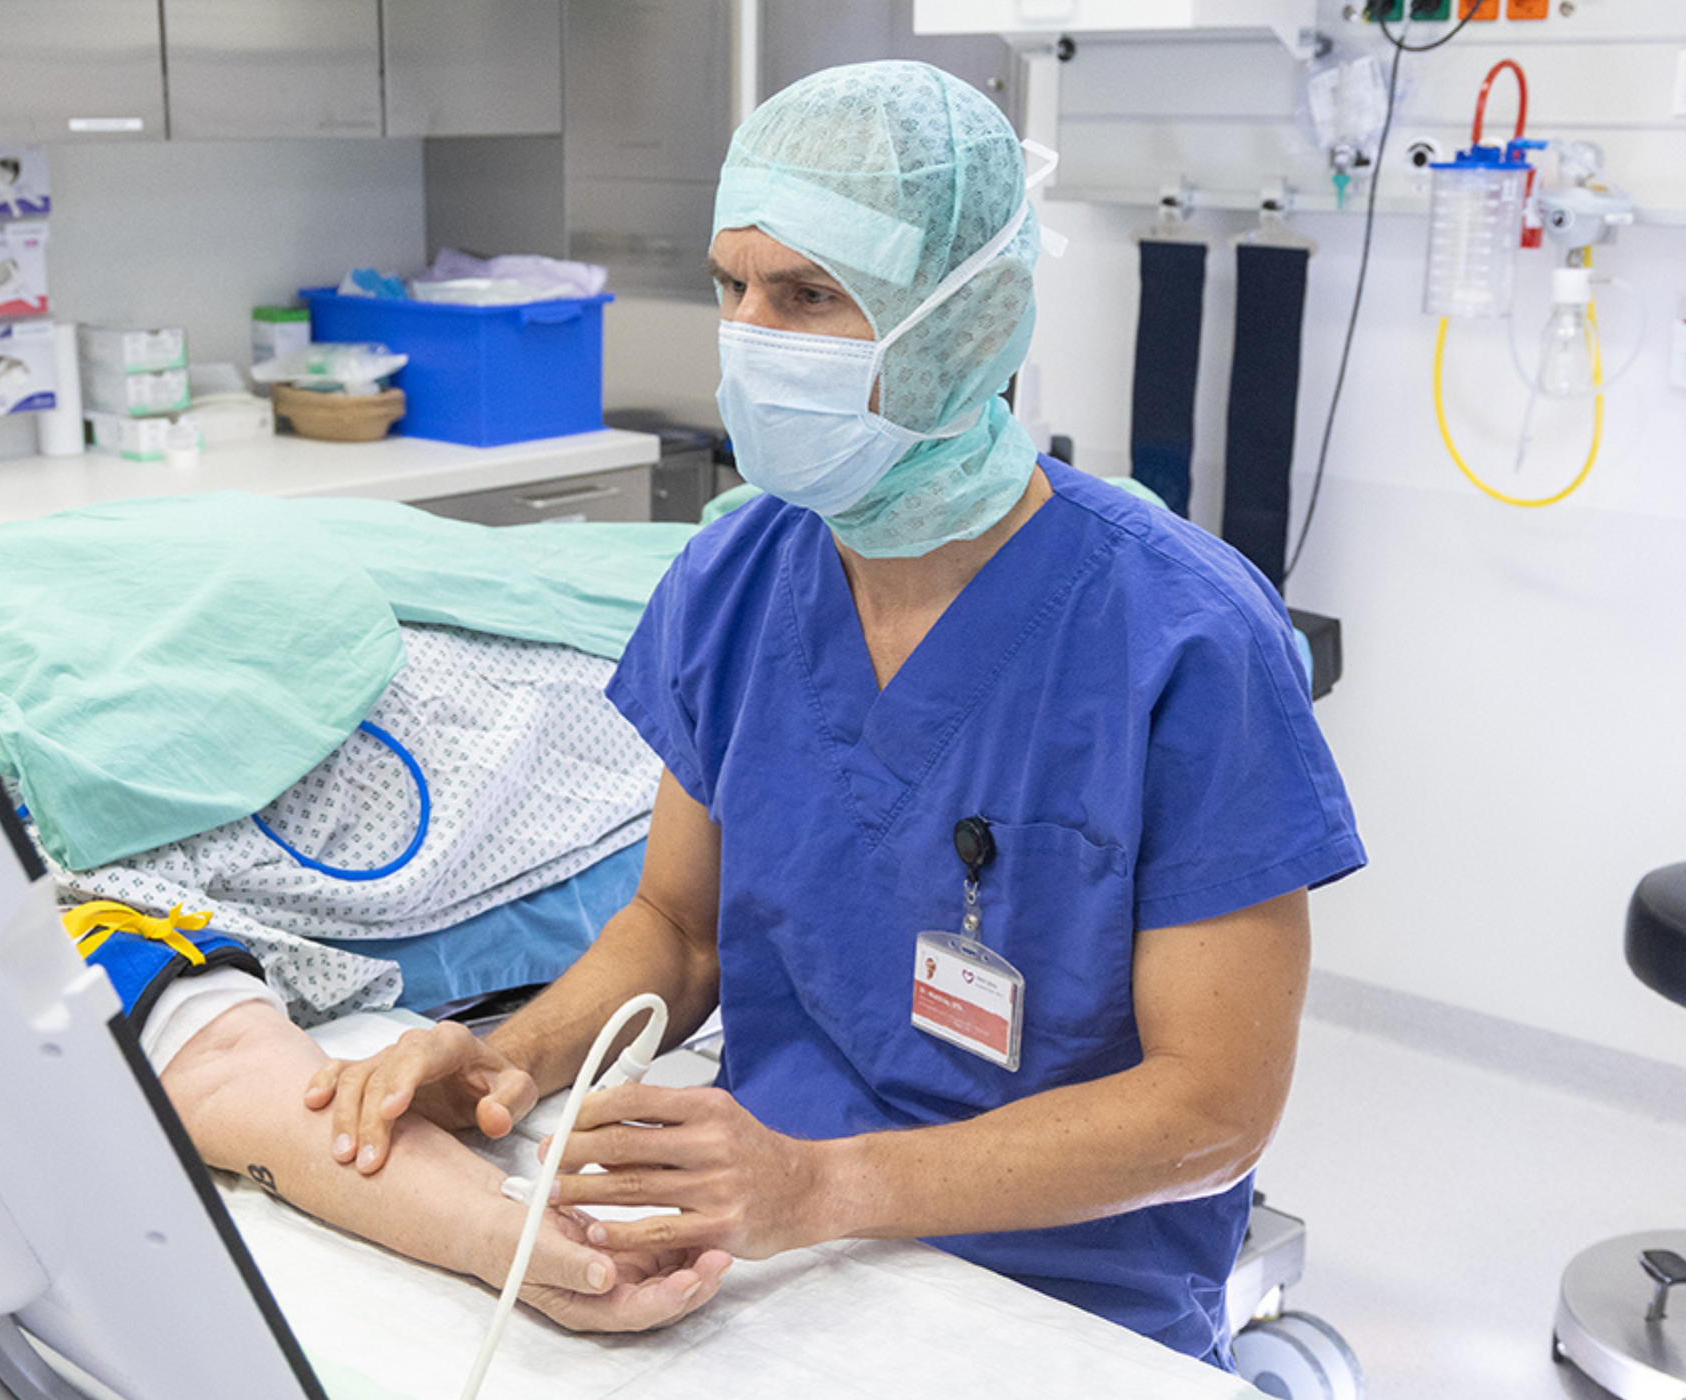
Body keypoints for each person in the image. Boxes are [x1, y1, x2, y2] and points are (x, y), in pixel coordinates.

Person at [304, 60, 1365, 1366]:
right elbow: (677, 931)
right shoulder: (735, 578)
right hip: (761, 1260)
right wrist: (509, 1060)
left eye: (808, 296)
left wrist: (823, 1186)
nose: (751, 337)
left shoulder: (1183, 637)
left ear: (967, 325)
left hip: (1067, 1306)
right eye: (731, 287)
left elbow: (1213, 1112)